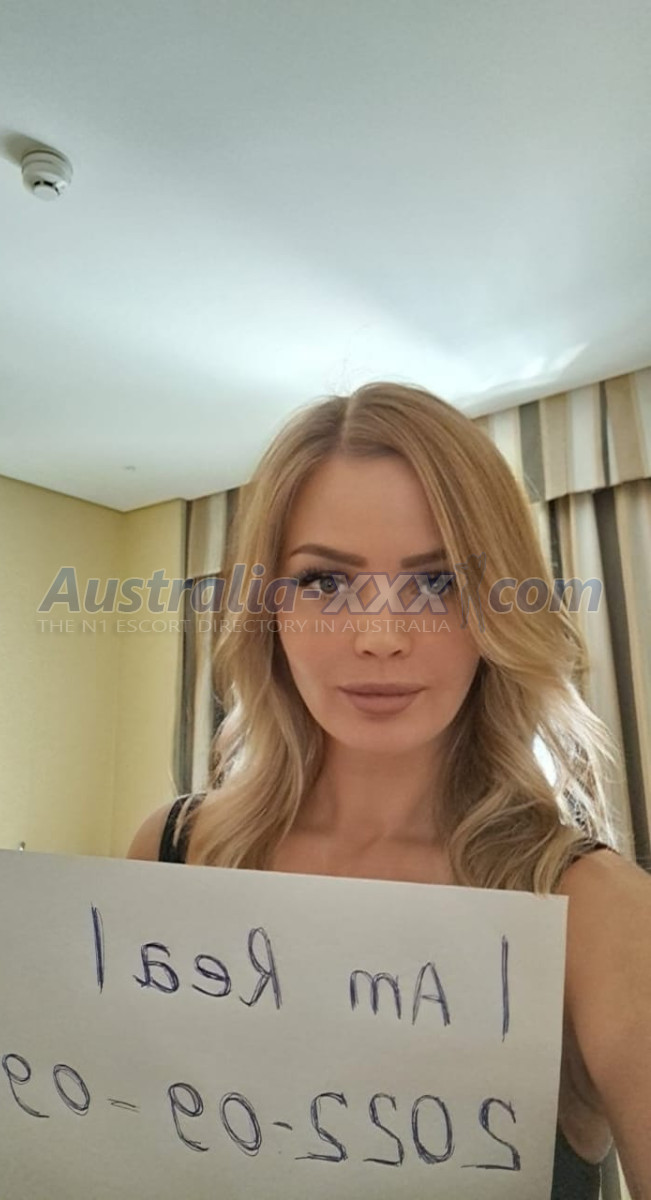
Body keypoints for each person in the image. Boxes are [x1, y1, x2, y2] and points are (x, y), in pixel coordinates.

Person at [128, 381, 651, 1199]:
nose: (379, 637)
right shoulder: (171, 851)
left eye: (437, 583)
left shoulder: (594, 910)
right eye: (325, 583)